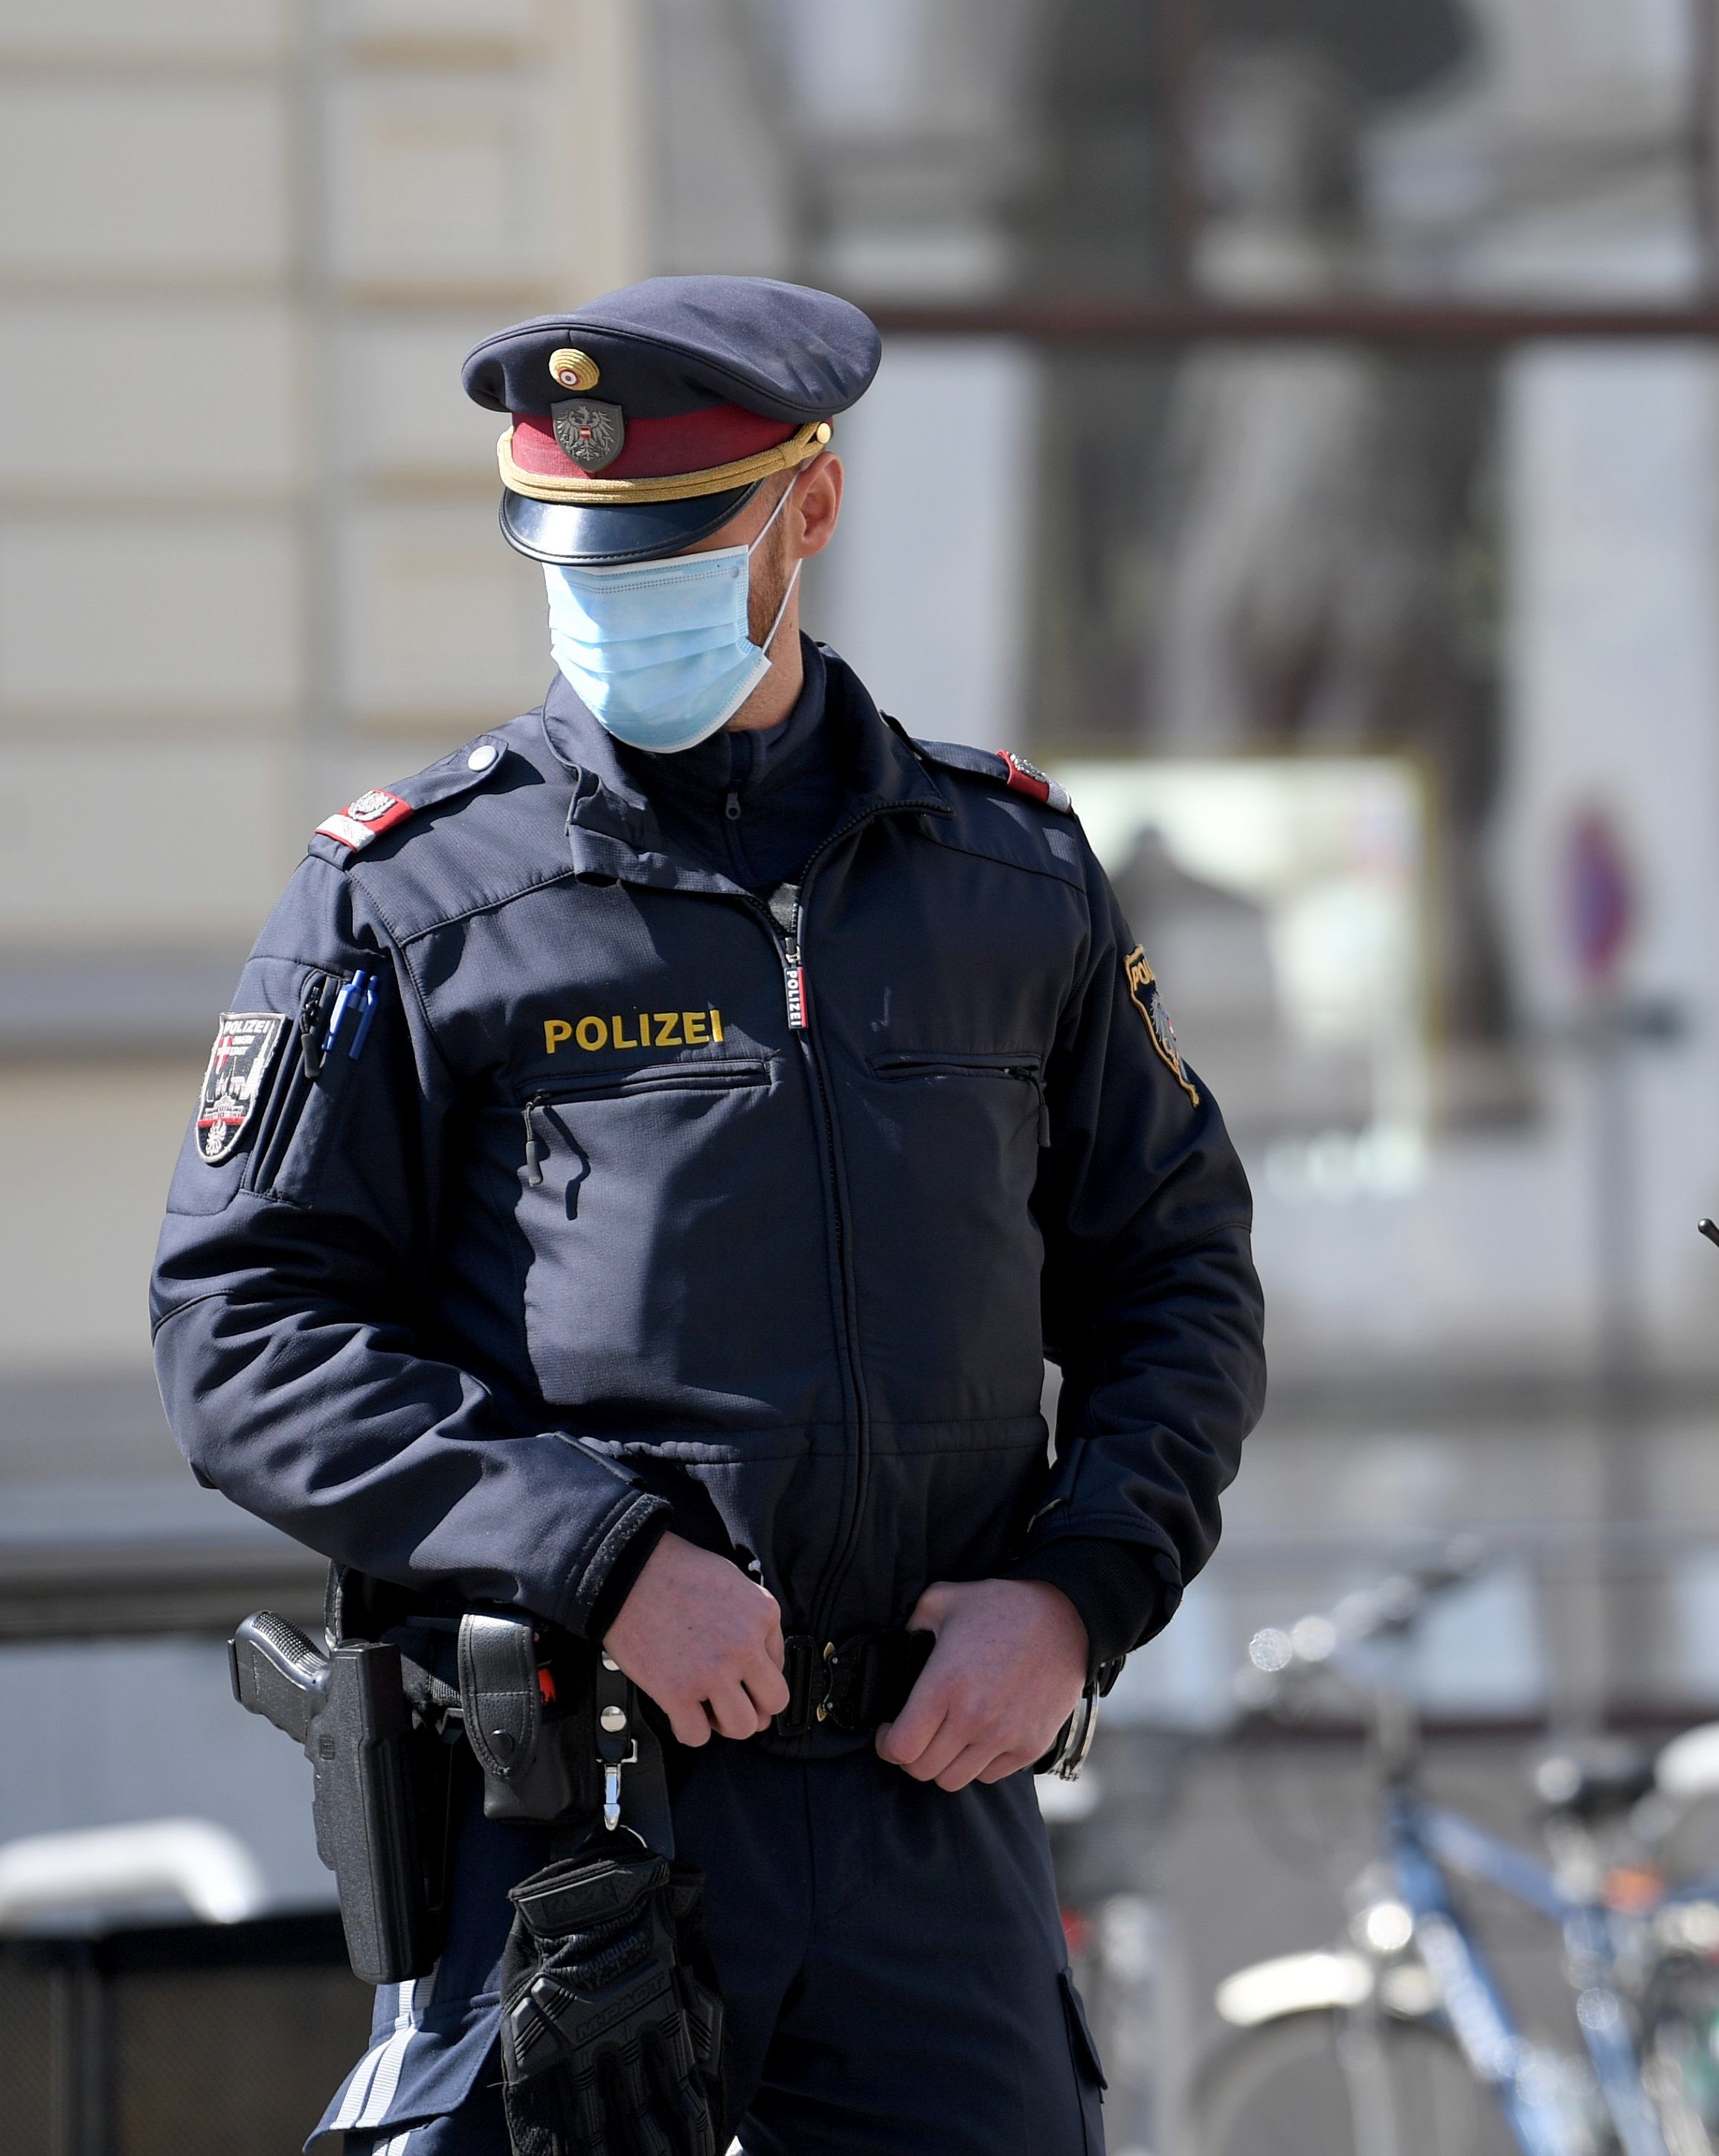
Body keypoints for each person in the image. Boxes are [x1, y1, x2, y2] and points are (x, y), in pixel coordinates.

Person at [150, 276, 1265, 2152]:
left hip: (932, 1814)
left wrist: (1080, 1600)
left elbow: (1177, 1281)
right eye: (575, 560)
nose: (615, 603)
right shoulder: (417, 902)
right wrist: (597, 1558)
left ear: (807, 512)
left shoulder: (1006, 879)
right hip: (577, 1822)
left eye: (668, 550)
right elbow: (240, 1329)